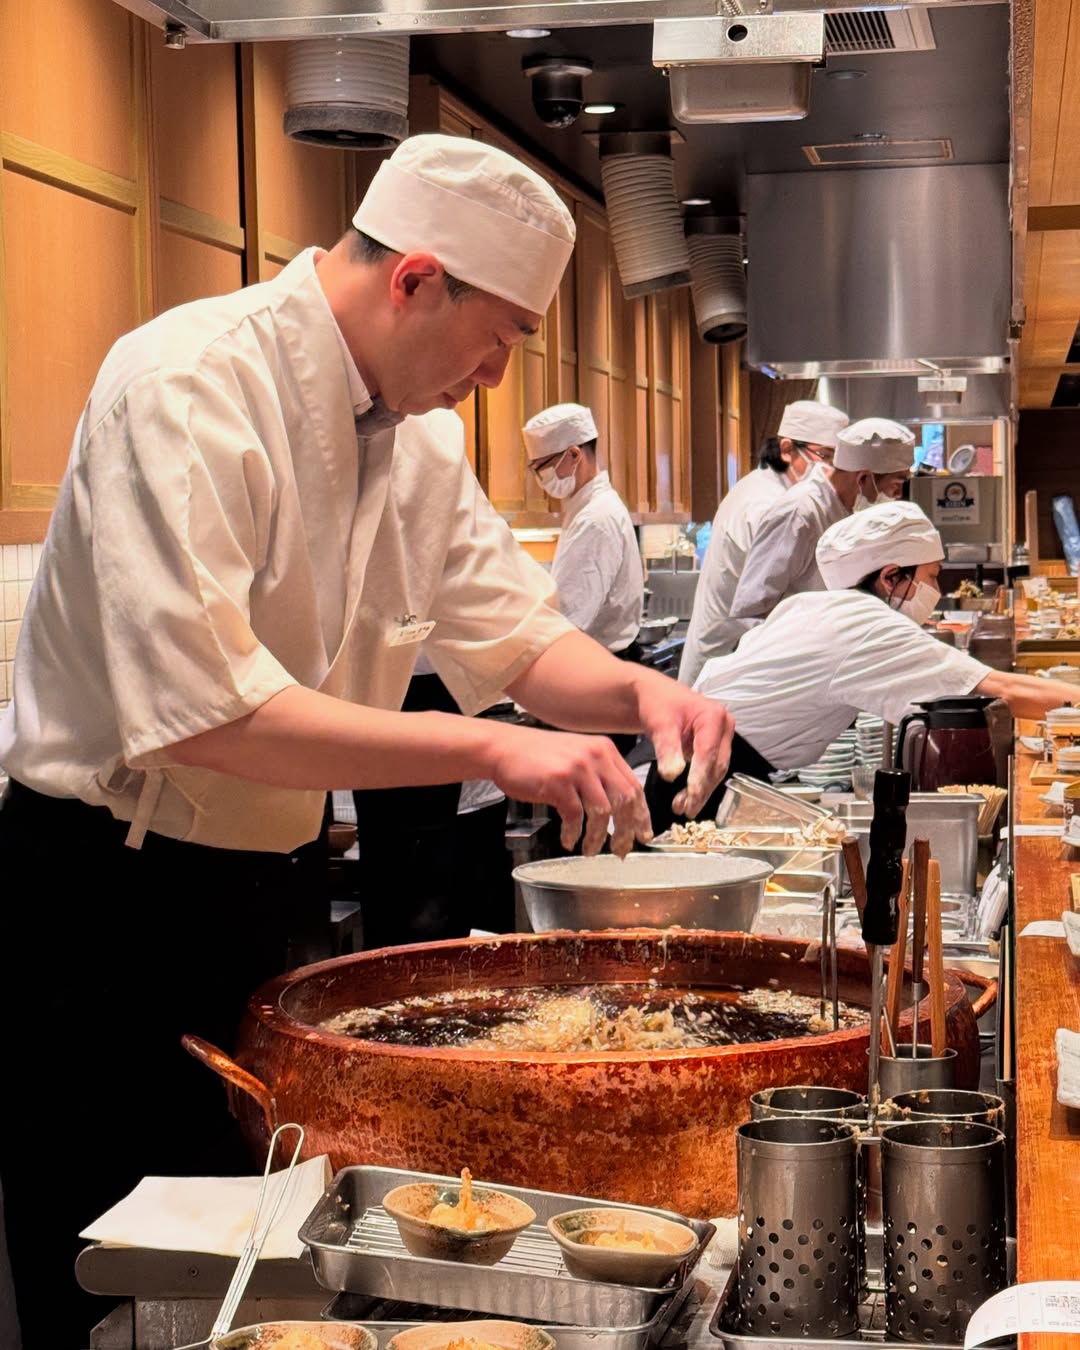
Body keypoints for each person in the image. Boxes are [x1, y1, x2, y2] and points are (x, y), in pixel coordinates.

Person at [0, 134, 733, 1347]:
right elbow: (211, 713)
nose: (497, 378)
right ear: (414, 280)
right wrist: (486, 751)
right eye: (499, 338)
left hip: (257, 887)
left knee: (252, 1268)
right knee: (115, 1264)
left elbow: (517, 639)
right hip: (103, 895)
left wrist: (643, 698)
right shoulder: (187, 384)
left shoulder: (418, 437)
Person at [647, 501, 1080, 830]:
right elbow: (1003, 692)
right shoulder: (869, 626)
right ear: (891, 577)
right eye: (932, 576)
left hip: (693, 757)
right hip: (707, 776)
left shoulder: (816, 604)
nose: (936, 589)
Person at [678, 399, 849, 686]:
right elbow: (766, 597)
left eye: (838, 461)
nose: (831, 469)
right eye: (825, 456)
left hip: (747, 657)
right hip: (729, 660)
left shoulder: (782, 492)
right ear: (787, 450)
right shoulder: (766, 504)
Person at [725, 416, 916, 637]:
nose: (898, 495)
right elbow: (752, 608)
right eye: (896, 484)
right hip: (789, 647)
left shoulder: (850, 510)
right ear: (863, 479)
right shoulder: (799, 513)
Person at [522, 402, 644, 659]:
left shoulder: (594, 519)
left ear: (574, 455)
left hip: (599, 662)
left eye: (541, 467)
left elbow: (568, 619)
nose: (540, 478)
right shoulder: (588, 508)